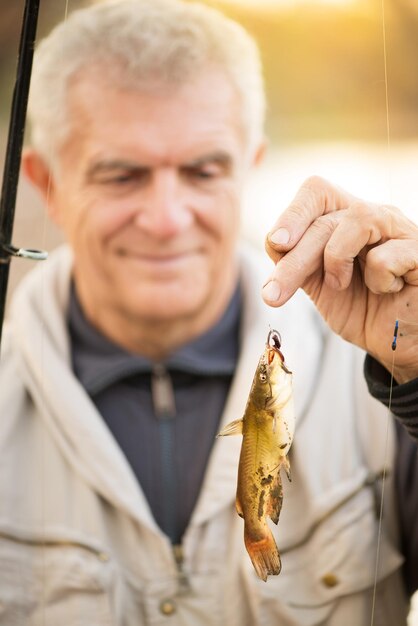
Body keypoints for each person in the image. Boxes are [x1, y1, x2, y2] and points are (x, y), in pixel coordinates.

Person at [0, 0, 417, 624]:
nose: (167, 220)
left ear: (248, 167)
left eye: (202, 170)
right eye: (121, 175)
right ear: (48, 183)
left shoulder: (381, 370)